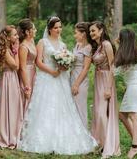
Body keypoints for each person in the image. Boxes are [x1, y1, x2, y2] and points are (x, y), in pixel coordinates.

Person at [17, 16, 97, 155]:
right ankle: (42, 138)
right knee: (45, 106)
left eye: (60, 27)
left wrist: (64, 67)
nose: (59, 30)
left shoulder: (63, 45)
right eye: (56, 28)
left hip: (60, 79)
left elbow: (67, 64)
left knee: (62, 107)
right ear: (49, 29)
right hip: (46, 78)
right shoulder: (42, 42)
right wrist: (52, 72)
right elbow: (39, 62)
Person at [0, 26, 23, 149]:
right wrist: (17, 50)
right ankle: (6, 134)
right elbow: (15, 66)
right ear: (7, 37)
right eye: (14, 35)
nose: (17, 37)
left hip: (12, 79)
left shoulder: (9, 48)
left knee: (13, 105)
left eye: (17, 35)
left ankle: (12, 130)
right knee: (9, 105)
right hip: (8, 79)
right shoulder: (6, 50)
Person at [88, 21, 121, 158]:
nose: (91, 33)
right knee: (98, 112)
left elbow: (112, 67)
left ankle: (109, 145)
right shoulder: (97, 46)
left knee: (103, 113)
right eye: (90, 31)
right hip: (98, 79)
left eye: (93, 31)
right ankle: (100, 142)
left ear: (101, 31)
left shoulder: (107, 45)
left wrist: (108, 88)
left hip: (107, 79)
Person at [115, 29, 137, 159]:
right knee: (122, 115)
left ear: (124, 40)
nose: (117, 38)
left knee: (134, 115)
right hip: (134, 86)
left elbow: (116, 71)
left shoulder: (133, 55)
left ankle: (134, 147)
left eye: (119, 37)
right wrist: (118, 46)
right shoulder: (130, 52)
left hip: (135, 86)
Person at [70, 22, 92, 128]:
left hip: (81, 79)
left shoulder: (88, 48)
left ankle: (83, 133)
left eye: (76, 33)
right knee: (72, 106)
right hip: (72, 76)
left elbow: (86, 68)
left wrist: (76, 84)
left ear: (83, 34)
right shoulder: (77, 45)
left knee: (80, 106)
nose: (75, 35)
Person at [17, 18, 37, 115]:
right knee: (27, 96)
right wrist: (26, 86)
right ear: (27, 32)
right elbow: (22, 67)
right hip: (27, 73)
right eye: (34, 28)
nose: (35, 30)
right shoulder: (23, 47)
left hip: (33, 72)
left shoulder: (32, 41)